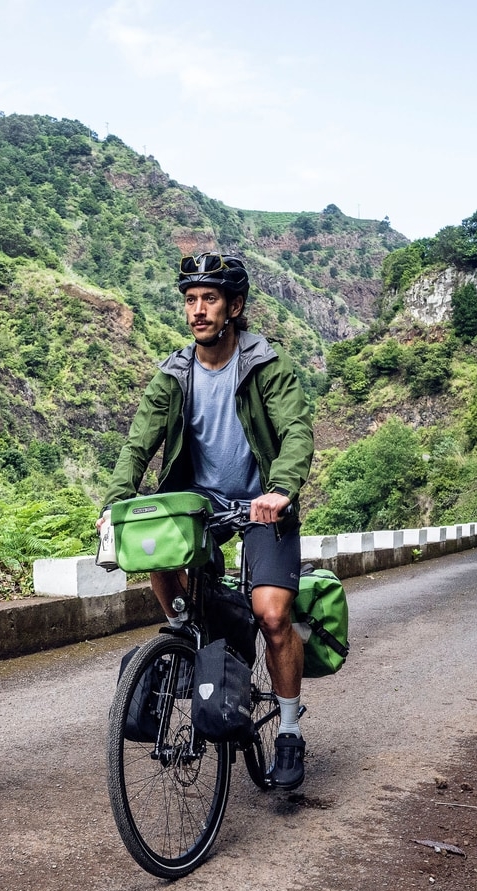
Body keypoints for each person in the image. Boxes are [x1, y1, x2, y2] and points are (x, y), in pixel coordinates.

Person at [103, 252, 316, 790]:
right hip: (199, 508)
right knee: (157, 552)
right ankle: (186, 638)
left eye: (210, 299)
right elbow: (138, 443)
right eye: (191, 300)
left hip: (263, 505)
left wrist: (281, 490)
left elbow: (296, 433)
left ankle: (288, 730)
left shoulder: (266, 366)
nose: (198, 311)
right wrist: (116, 499)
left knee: (271, 615)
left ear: (235, 306)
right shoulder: (174, 374)